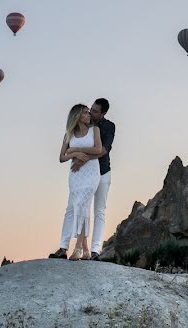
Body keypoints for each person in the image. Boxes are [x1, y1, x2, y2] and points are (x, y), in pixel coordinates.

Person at [49, 104, 102, 260]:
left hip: (91, 172)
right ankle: (86, 250)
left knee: (83, 205)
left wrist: (74, 151)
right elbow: (61, 157)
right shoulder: (69, 134)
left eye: (88, 113)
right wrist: (75, 152)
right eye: (85, 113)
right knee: (78, 207)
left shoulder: (94, 130)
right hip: (75, 175)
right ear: (77, 116)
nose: (89, 115)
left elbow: (98, 150)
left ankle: (78, 247)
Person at [70, 98, 115, 261]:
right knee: (77, 208)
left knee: (99, 210)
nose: (91, 113)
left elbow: (103, 150)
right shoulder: (85, 124)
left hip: (103, 172)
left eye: (95, 111)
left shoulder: (109, 127)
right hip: (84, 174)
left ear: (103, 113)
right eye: (91, 109)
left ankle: (95, 250)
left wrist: (83, 157)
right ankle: (73, 247)